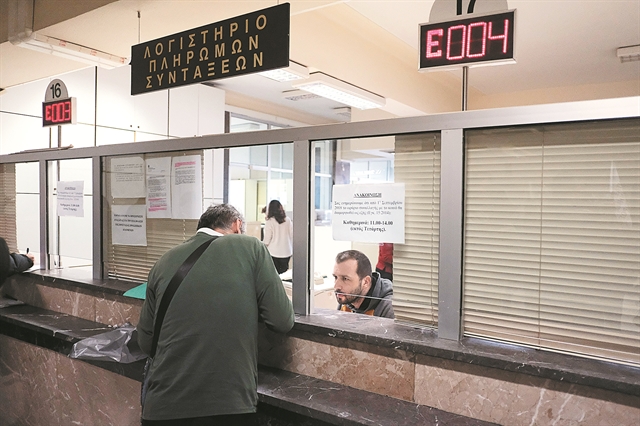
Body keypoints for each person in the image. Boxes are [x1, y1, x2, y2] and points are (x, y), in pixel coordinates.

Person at [136, 204, 295, 426]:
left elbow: (146, 341)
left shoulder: (164, 260)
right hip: (226, 405)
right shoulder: (250, 247)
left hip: (162, 406)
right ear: (237, 225)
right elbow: (282, 320)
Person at [333, 249, 394, 319]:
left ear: (366, 282)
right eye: (335, 277)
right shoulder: (347, 297)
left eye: (345, 279)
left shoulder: (389, 307)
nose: (336, 286)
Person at [262, 200, 293, 275]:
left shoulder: (270, 222)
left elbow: (267, 240)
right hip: (286, 252)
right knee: (284, 274)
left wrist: (262, 248)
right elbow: (292, 235)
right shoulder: (287, 220)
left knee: (274, 275)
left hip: (273, 252)